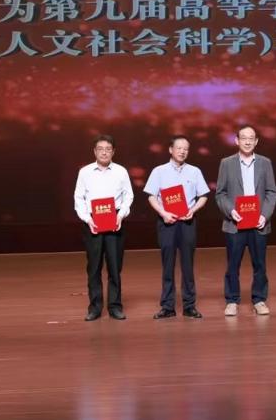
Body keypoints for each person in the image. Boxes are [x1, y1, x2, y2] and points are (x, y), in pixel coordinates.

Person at [143, 135, 210, 320]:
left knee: (188, 265)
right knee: (168, 265)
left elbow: (203, 196)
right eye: (179, 148)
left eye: (186, 149)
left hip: (187, 222)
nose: (182, 151)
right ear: (170, 150)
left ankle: (189, 306)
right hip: (167, 222)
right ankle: (167, 306)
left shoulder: (194, 171)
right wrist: (163, 213)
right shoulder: (159, 171)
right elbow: (151, 196)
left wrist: (193, 210)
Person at [215, 124, 276, 316]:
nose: (248, 142)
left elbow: (271, 192)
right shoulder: (226, 163)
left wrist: (264, 215)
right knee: (233, 265)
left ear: (256, 141)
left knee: (260, 265)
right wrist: (231, 211)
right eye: (244, 138)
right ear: (237, 141)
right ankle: (231, 300)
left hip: (259, 223)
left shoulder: (265, 162)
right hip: (235, 223)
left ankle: (259, 300)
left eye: (251, 138)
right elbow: (220, 193)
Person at [73, 134, 134, 321]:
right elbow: (79, 198)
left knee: (115, 267)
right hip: (93, 221)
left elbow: (129, 196)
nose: (104, 152)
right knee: (94, 268)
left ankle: (115, 306)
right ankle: (95, 307)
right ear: (94, 151)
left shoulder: (121, 171)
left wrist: (121, 215)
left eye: (108, 149)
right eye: (100, 149)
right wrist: (87, 219)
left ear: (113, 152)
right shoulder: (85, 172)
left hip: (115, 220)